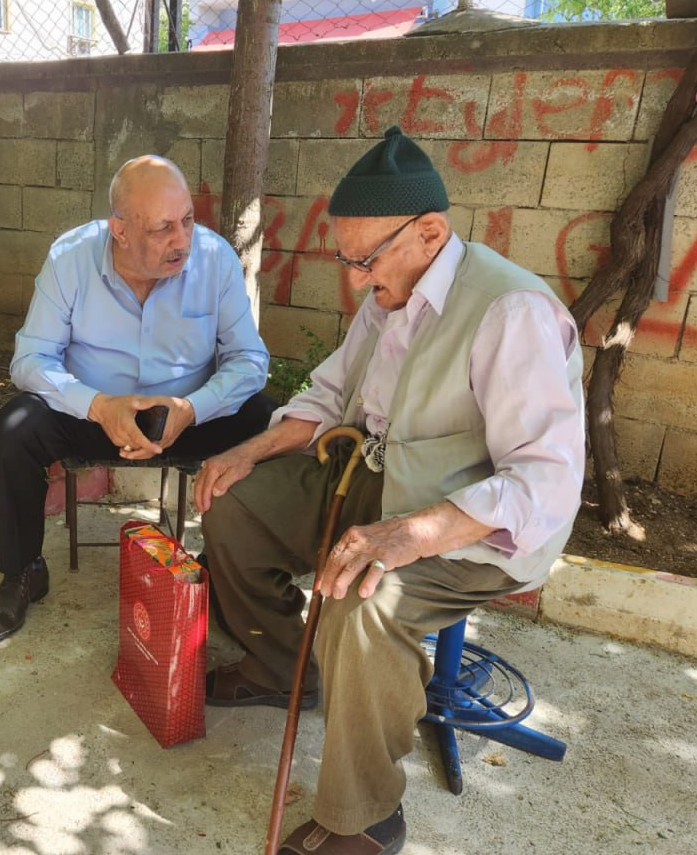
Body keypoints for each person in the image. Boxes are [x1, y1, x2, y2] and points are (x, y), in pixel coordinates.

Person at [195, 127, 584, 855]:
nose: (353, 280)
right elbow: (331, 391)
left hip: (471, 524)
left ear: (430, 232)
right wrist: (250, 449)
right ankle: (284, 669)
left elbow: (543, 484)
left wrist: (409, 535)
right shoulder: (389, 289)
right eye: (346, 259)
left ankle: (367, 816)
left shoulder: (510, 312)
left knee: (363, 606)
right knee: (234, 503)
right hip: (373, 477)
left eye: (363, 259)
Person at [0, 154, 277, 643]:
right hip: (93, 414)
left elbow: (249, 360)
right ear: (119, 230)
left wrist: (194, 407)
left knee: (270, 421)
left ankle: (229, 574)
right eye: (163, 229)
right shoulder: (70, 257)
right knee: (15, 426)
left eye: (187, 220)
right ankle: (22, 573)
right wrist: (97, 405)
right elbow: (30, 359)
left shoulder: (215, 257)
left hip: (187, 416)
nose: (182, 240)